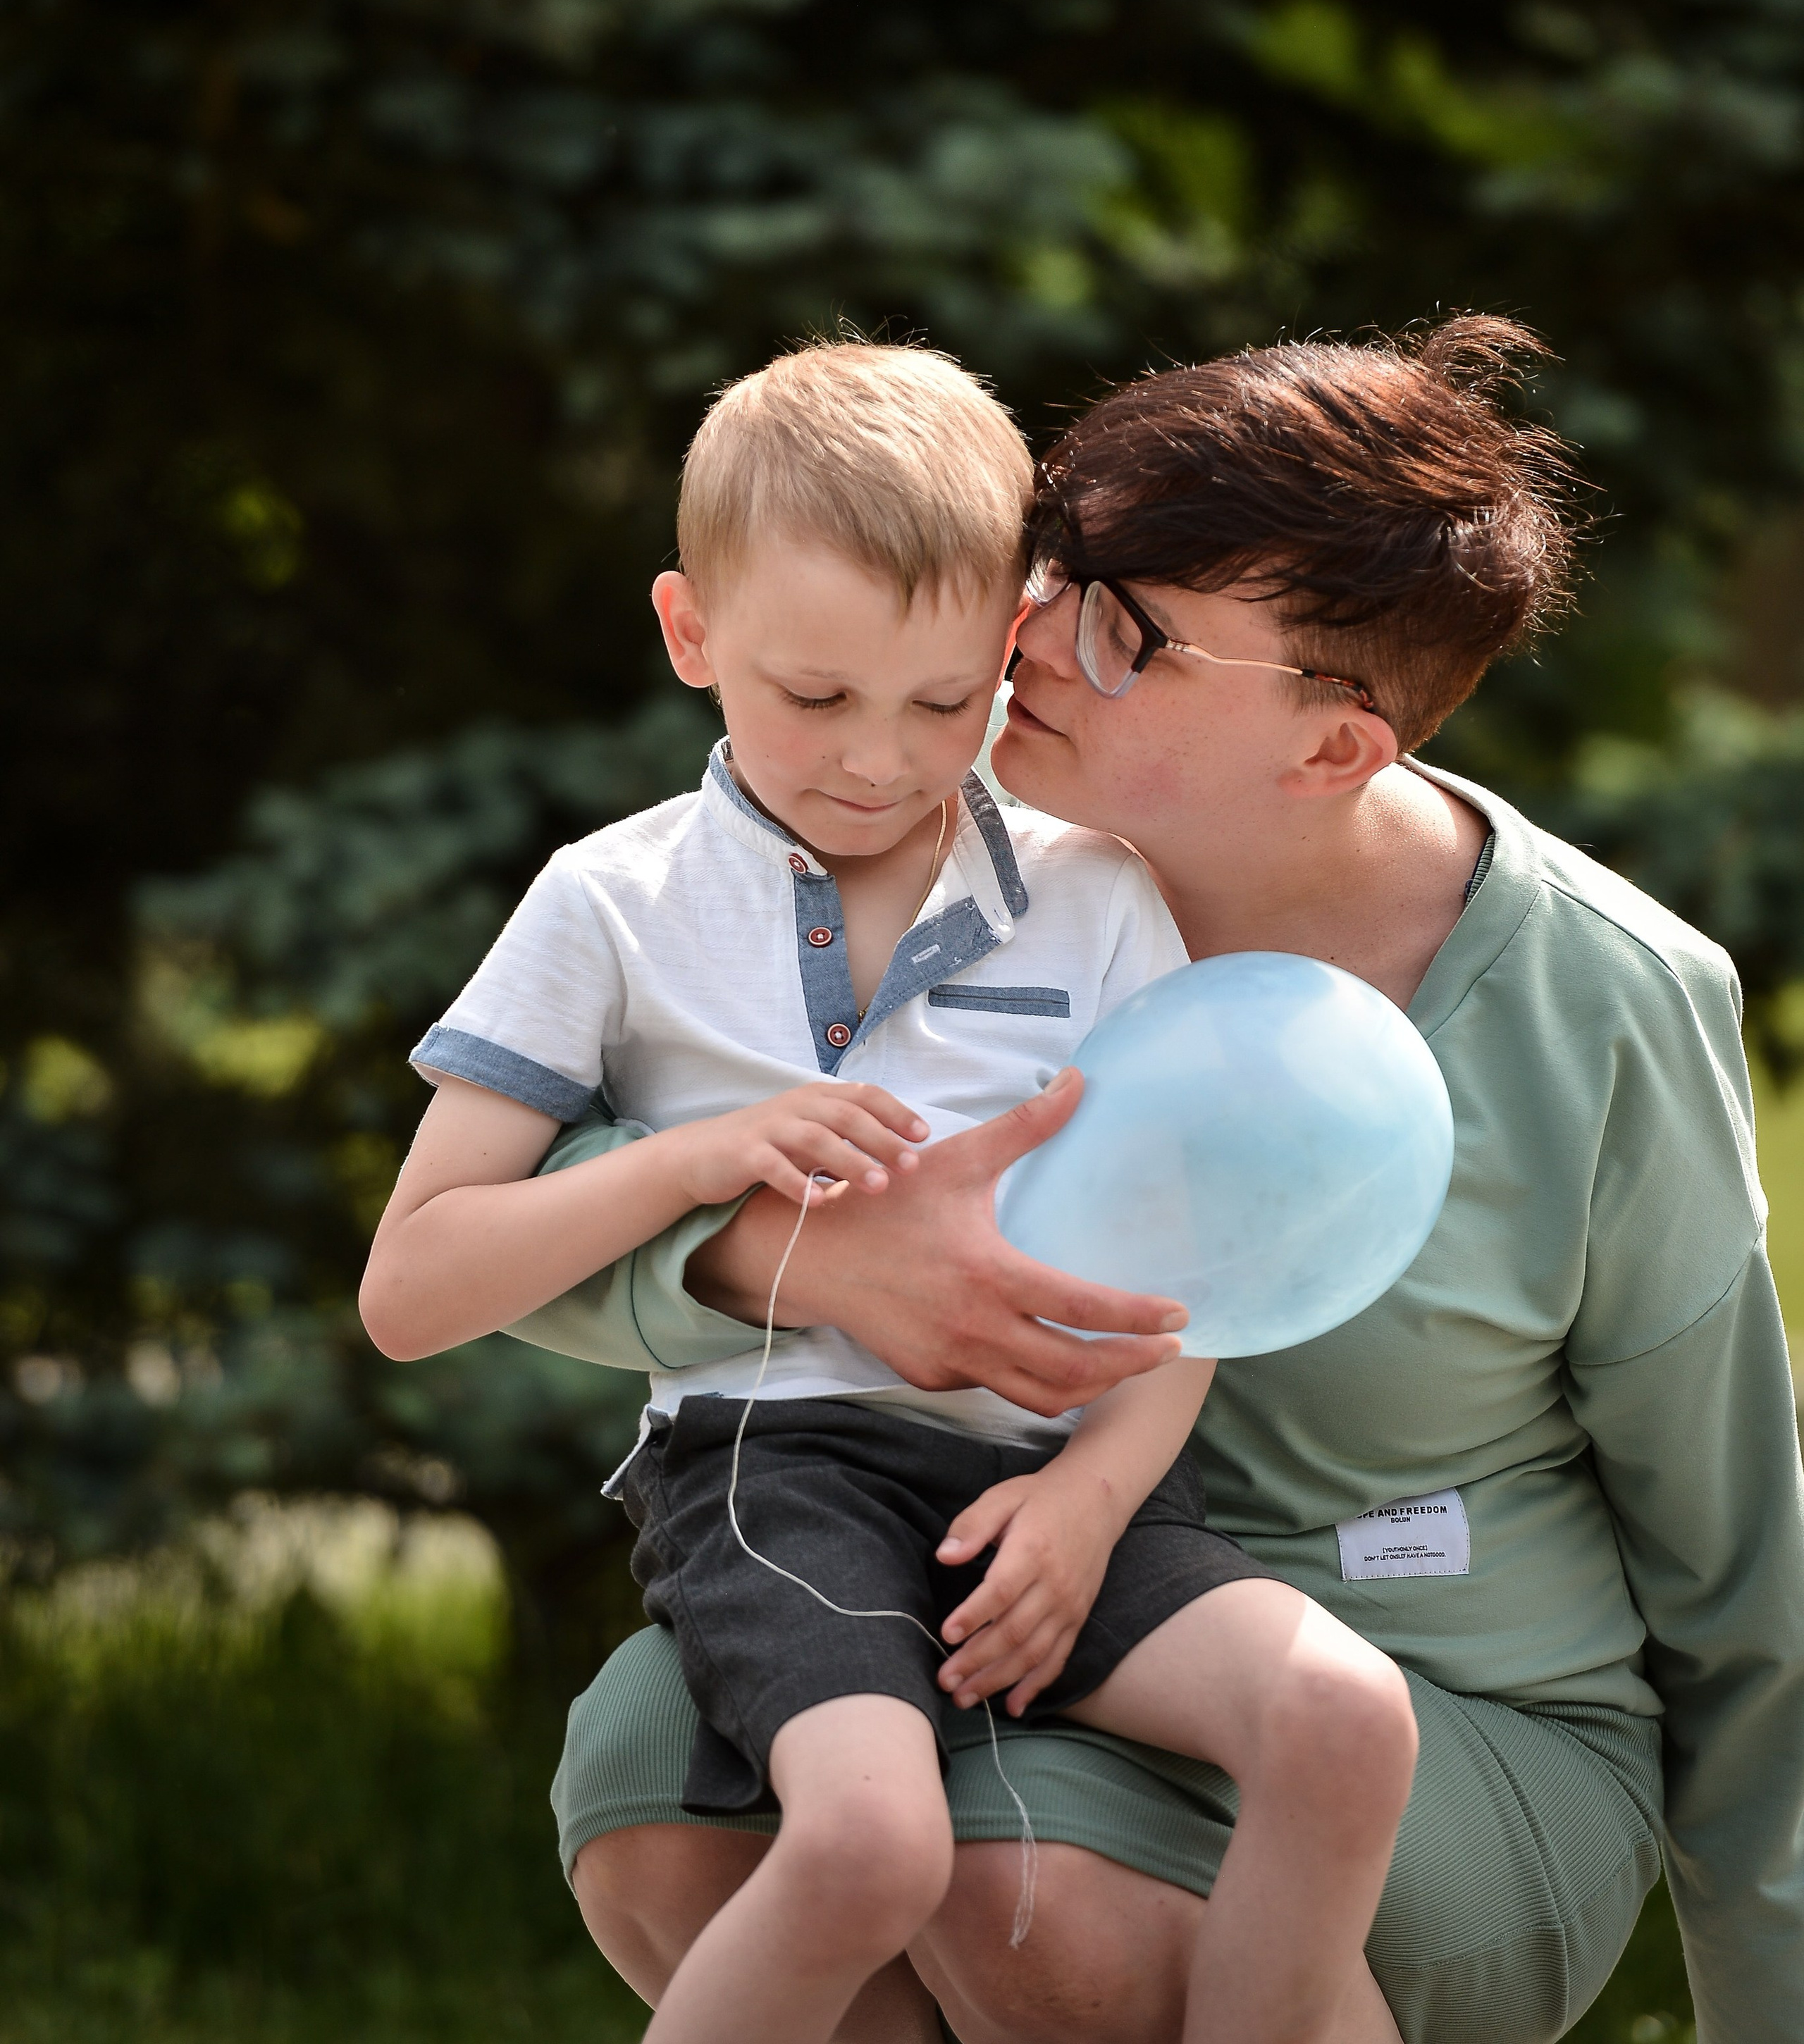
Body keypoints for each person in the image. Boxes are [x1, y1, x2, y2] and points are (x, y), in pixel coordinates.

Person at [535, 318, 1804, 2044]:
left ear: (1334, 748)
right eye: (1059, 569)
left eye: (1123, 629)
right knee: (649, 1793)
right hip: (975, 1582)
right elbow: (527, 1210)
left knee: (1023, 1900)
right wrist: (807, 1262)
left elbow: (1744, 1586)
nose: (1029, 636)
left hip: (1434, 1692)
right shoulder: (900, 802)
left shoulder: (1606, 998)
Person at [358, 341, 1418, 2044]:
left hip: (1057, 1478)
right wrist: (698, 1155)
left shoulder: (1095, 896)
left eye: (945, 703)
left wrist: (1090, 1500)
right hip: (779, 1477)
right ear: (689, 634)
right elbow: (409, 1292)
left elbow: (1184, 1275)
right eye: (811, 697)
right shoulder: (606, 904)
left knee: (1345, 1724)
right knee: (867, 1843)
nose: (876, 759)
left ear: (1012, 641)